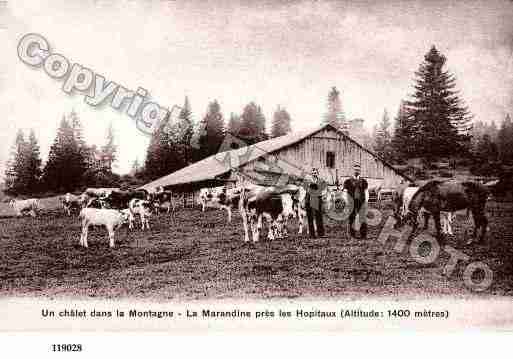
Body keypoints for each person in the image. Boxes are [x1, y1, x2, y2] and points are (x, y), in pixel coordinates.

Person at [343, 163, 368, 238]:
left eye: (358, 170)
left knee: (362, 217)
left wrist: (366, 201)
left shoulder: (364, 181)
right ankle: (352, 234)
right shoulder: (347, 181)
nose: (356, 171)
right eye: (355, 170)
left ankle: (363, 235)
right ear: (352, 170)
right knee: (351, 217)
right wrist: (346, 201)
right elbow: (345, 192)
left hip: (361, 201)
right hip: (351, 202)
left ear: (360, 171)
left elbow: (366, 191)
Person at [304, 168, 327, 238]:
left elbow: (324, 190)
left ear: (318, 173)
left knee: (319, 216)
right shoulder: (308, 181)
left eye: (315, 173)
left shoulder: (321, 181)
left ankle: (321, 234)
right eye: (313, 173)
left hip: (318, 199)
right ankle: (312, 234)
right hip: (309, 199)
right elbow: (306, 190)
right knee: (310, 217)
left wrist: (322, 195)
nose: (314, 174)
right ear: (311, 174)